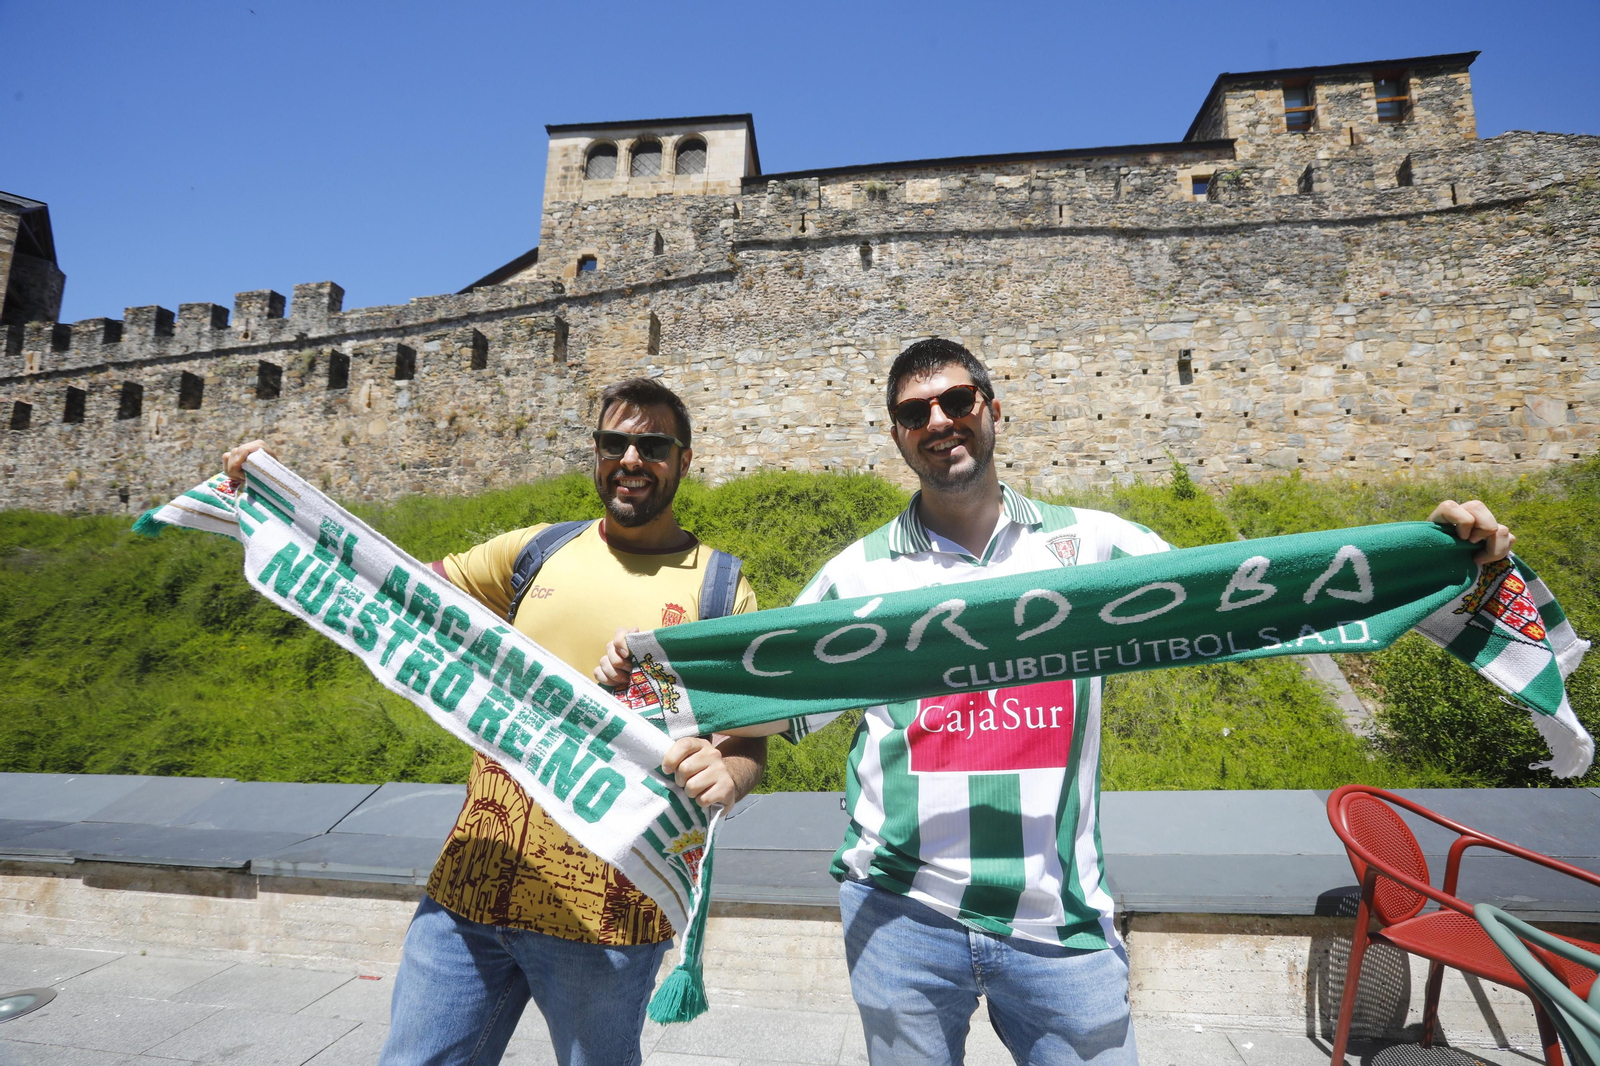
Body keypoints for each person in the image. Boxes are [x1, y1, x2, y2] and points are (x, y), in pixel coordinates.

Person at [599, 338, 1516, 1066]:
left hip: (1062, 918)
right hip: (897, 913)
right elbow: (775, 693)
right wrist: (684, 715)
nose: (940, 421)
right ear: (896, 437)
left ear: (994, 411)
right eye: (916, 412)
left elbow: (1259, 597)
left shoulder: (1103, 549)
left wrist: (1430, 553)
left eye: (959, 401)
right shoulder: (857, 574)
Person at [225, 376, 767, 1066]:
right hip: (473, 888)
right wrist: (277, 505)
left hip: (610, 917)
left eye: (653, 445)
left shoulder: (720, 590)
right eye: (613, 442)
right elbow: (387, 585)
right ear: (595, 454)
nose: (631, 459)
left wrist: (730, 772)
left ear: (684, 461)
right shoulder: (535, 550)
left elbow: (747, 742)